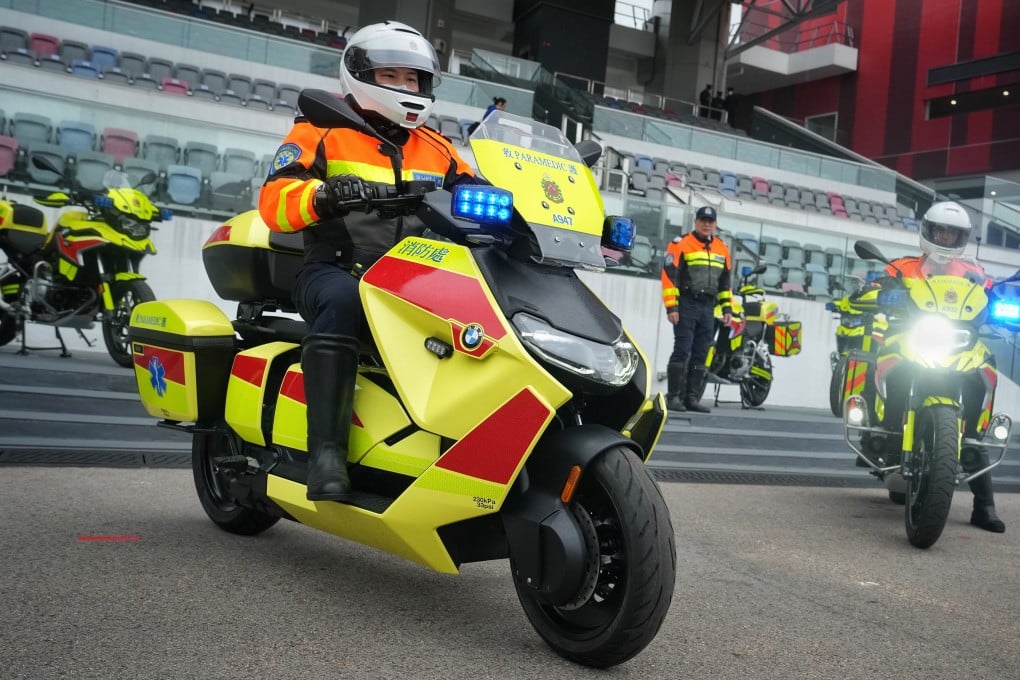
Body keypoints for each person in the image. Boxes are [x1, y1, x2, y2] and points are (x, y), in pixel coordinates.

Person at [259, 20, 475, 502]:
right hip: (335, 267)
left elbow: (481, 194)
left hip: (412, 277)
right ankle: (327, 454)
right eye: (393, 76)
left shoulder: (437, 147)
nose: (406, 88)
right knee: (345, 301)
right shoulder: (319, 130)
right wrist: (326, 195)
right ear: (360, 73)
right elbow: (273, 200)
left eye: (413, 79)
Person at [879, 201, 1004, 532]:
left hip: (961, 344)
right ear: (928, 231)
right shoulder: (902, 267)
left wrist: (1004, 306)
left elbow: (990, 299)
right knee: (892, 360)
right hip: (914, 338)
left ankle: (984, 505)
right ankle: (891, 434)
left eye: (953, 233)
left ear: (962, 238)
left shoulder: (975, 274)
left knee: (984, 372)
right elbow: (880, 288)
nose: (946, 238)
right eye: (941, 231)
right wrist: (881, 295)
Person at [661, 206, 733, 413]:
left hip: (708, 307)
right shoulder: (680, 243)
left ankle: (691, 397)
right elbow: (669, 277)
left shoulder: (722, 248)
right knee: (682, 350)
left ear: (715, 224)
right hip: (686, 303)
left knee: (701, 354)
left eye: (710, 221)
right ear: (696, 221)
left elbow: (725, 283)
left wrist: (727, 308)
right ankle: (673, 397)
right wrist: (671, 307)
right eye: (703, 220)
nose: (706, 224)